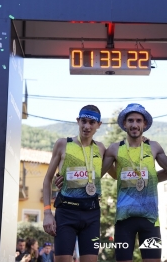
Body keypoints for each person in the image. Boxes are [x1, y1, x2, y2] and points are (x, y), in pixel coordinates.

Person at [101, 103, 167, 262]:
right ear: (124, 124)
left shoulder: (154, 147)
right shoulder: (115, 149)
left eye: (138, 120)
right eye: (130, 120)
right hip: (124, 220)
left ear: (144, 124)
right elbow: (97, 174)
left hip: (150, 220)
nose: (134, 124)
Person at [42, 105, 115, 262]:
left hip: (92, 213)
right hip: (66, 212)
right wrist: (47, 213)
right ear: (78, 121)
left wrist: (143, 141)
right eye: (84, 121)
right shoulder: (63, 144)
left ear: (99, 125)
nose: (87, 126)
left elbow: (113, 172)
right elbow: (47, 179)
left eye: (91, 122)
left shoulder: (101, 148)